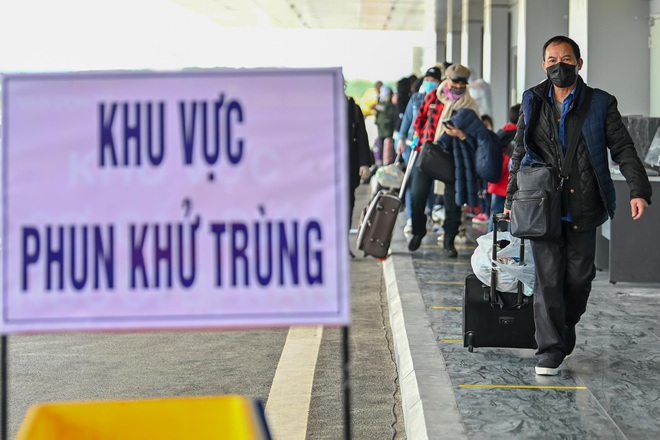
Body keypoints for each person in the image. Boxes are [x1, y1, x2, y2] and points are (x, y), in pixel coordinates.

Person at [503, 35, 652, 376]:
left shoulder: (600, 103)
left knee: (579, 279)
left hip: (585, 205)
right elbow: (519, 152)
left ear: (579, 63)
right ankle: (549, 351)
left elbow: (624, 149)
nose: (559, 65)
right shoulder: (532, 100)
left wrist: (638, 190)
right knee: (548, 279)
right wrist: (511, 198)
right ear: (544, 64)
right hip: (542, 205)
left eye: (566, 59)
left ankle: (564, 324)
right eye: (552, 59)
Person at [409, 64, 480, 256]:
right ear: (446, 80)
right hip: (429, 153)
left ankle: (449, 240)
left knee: (452, 202)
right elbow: (420, 119)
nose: (458, 85)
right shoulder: (433, 97)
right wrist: (419, 136)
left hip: (453, 157)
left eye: (462, 82)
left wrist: (461, 134)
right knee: (417, 195)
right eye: (454, 81)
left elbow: (476, 133)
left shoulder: (470, 105)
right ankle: (418, 230)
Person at [396, 67, 443, 234]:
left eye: (433, 80)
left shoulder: (441, 100)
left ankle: (428, 212)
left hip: (431, 149)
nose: (429, 83)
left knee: (427, 183)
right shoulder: (415, 99)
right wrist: (401, 140)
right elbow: (407, 120)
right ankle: (412, 217)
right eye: (427, 79)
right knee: (412, 183)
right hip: (412, 146)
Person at [487, 104, 520, 232]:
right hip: (511, 183)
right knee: (513, 215)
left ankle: (490, 241)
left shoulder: (501, 133)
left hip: (498, 180)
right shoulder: (518, 135)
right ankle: (512, 244)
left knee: (494, 214)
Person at [347, 95, 373, 245]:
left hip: (348, 166)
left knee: (347, 203)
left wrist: (364, 164)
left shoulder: (353, 108)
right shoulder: (320, 107)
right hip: (324, 168)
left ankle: (343, 242)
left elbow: (362, 137)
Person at [374, 85, 397, 165]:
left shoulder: (391, 105)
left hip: (388, 130)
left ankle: (387, 162)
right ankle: (381, 162)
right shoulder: (381, 102)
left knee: (388, 148)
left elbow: (391, 114)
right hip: (381, 129)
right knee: (381, 146)